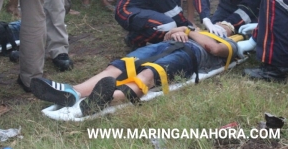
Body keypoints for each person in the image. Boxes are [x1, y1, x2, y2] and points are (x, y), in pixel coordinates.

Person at [30, 23, 244, 116]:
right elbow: (167, 36)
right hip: (167, 45)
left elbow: (212, 47)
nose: (220, 26)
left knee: (149, 74)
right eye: (219, 24)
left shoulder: (231, 45)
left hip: (190, 56)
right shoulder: (195, 31)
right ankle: (72, 91)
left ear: (230, 33)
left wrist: (188, 30)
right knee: (123, 64)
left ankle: (106, 98)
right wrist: (175, 32)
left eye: (226, 26)